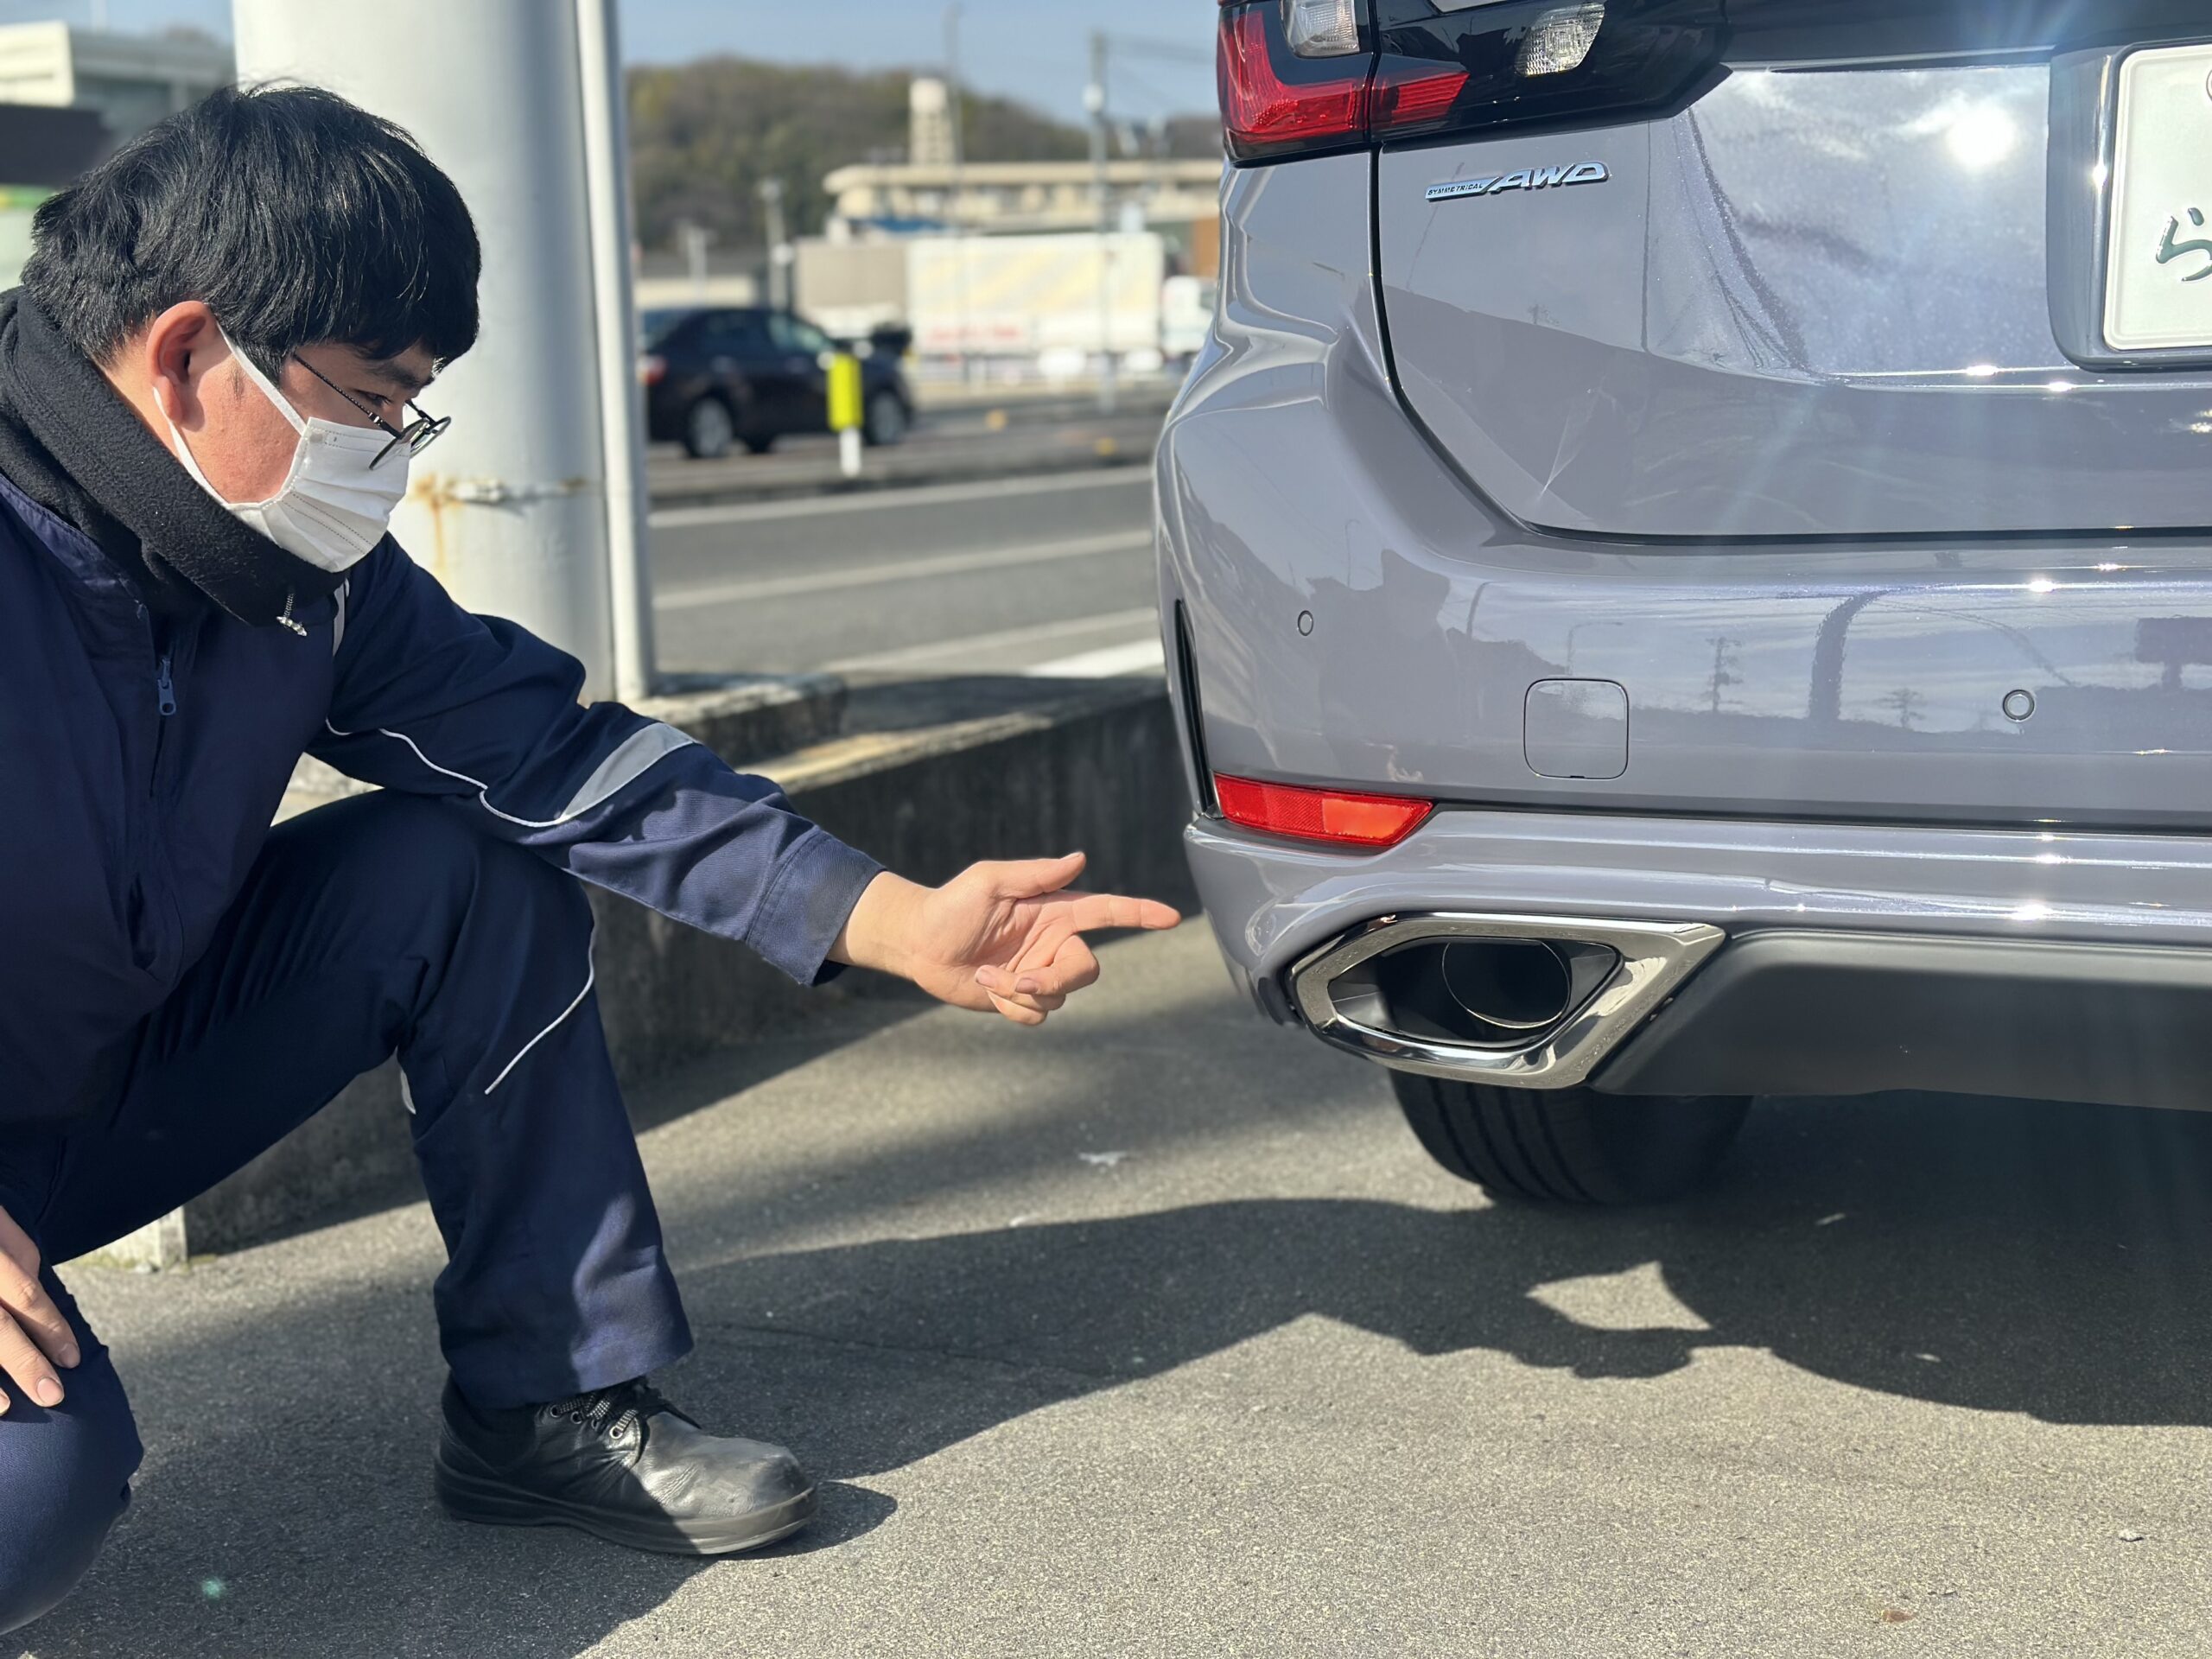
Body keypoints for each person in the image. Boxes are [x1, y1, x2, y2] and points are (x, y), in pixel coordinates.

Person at [0, 84, 1179, 1633]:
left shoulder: (288, 572)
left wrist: (884, 916)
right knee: (32, 1502)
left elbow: (549, 755)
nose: (394, 450)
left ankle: (547, 1401)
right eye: (373, 399)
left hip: (83, 1093)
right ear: (184, 353)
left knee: (464, 872)